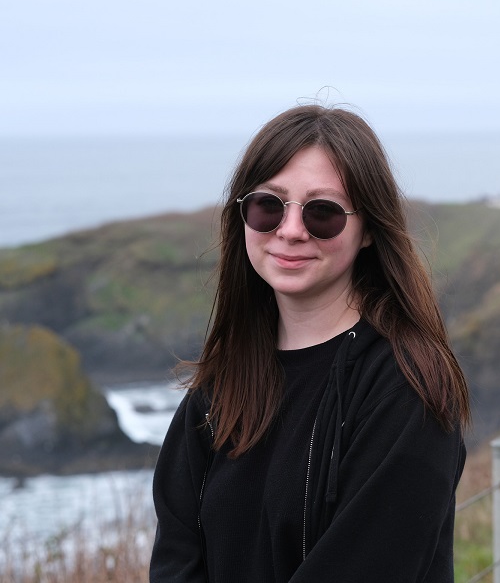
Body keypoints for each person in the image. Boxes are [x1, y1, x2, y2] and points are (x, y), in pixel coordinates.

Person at [150, 104, 470, 582]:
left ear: (367, 232)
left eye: (323, 212)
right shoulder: (223, 383)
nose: (291, 230)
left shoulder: (407, 389)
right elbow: (176, 557)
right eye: (268, 205)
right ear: (243, 215)